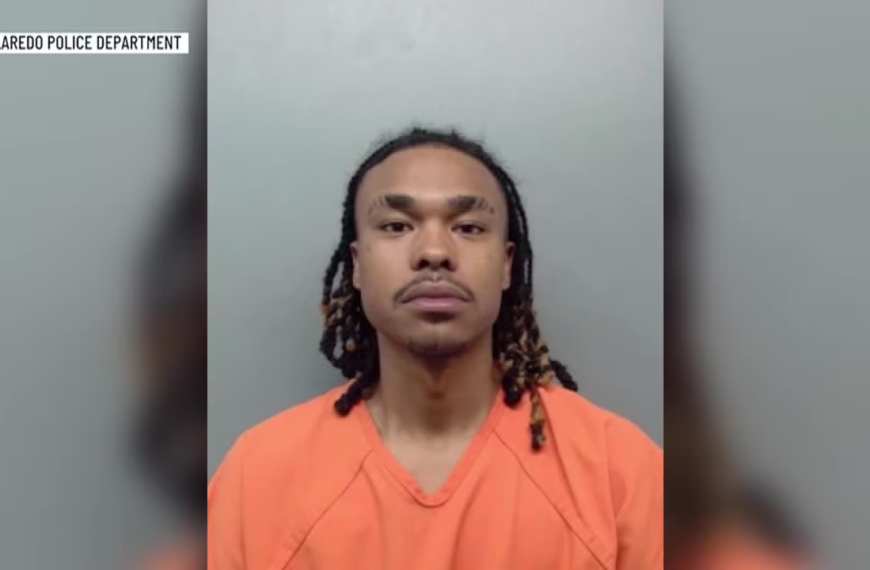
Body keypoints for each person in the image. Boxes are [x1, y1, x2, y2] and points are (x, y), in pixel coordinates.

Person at [208, 127, 663, 569]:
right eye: (396, 225)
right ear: (358, 265)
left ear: (506, 266)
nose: (433, 251)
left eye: (467, 227)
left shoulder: (619, 472)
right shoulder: (259, 475)